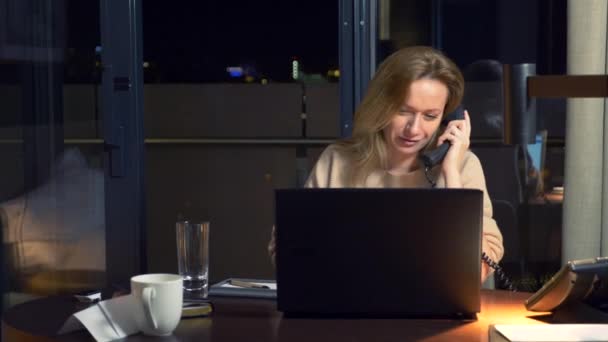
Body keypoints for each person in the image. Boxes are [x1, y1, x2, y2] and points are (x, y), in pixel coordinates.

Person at [268, 46, 503, 283]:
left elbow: (475, 271)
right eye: (403, 111)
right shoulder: (338, 160)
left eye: (430, 116)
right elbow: (287, 251)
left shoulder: (461, 165)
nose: (414, 129)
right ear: (381, 106)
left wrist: (450, 173)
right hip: (347, 305)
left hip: (435, 315)